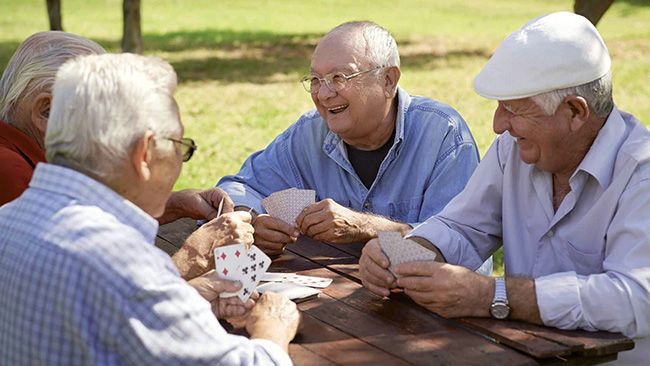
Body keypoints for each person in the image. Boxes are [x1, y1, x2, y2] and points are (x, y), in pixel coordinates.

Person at [359, 12, 649, 365]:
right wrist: (408, 252)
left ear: (575, 112)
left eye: (513, 109)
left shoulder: (641, 172)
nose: (498, 125)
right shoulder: (513, 148)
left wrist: (494, 296)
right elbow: (463, 226)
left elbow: (635, 297)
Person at [0, 53, 299, 364]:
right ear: (144, 153)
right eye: (180, 148)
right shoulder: (120, 259)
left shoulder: (9, 218)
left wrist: (185, 300)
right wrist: (272, 328)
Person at [218, 21, 491, 274]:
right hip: (332, 305)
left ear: (388, 81)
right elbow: (238, 188)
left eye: (339, 77)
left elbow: (460, 255)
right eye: (315, 80)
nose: (324, 94)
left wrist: (367, 228)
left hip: (417, 314)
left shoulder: (442, 134)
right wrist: (252, 220)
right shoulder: (309, 133)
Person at [0, 31, 237, 279]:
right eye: (103, 111)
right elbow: (89, 290)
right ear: (45, 111)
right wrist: (194, 255)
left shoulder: (34, 161)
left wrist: (173, 205)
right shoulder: (11, 172)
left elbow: (89, 217)